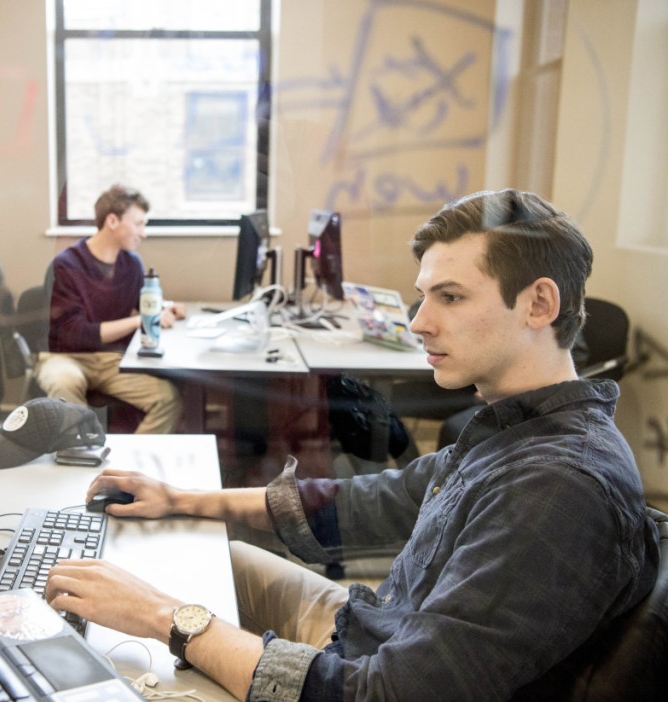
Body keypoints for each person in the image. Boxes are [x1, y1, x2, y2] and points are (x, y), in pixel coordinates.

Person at [44, 189, 660, 701]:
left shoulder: (553, 488)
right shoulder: (513, 428)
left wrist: (164, 617)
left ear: (539, 304)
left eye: (449, 297)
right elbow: (364, 500)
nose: (419, 320)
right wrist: (183, 497)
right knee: (181, 554)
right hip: (375, 627)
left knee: (149, 625)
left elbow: (386, 695)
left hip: (369, 674)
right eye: (425, 296)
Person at [37, 184, 184, 434]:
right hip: (65, 357)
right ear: (113, 221)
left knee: (167, 398)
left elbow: (141, 303)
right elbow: (75, 334)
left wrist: (165, 308)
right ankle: (80, 457)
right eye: (138, 224)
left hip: (112, 360)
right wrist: (141, 320)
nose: (143, 233)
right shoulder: (66, 265)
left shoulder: (131, 263)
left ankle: (126, 467)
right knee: (64, 383)